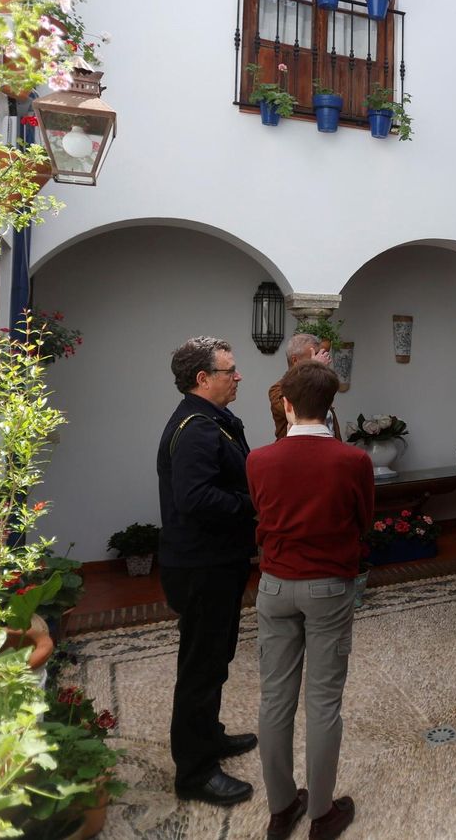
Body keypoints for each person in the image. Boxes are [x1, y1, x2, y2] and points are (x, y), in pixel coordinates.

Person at [247, 360, 369, 840]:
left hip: (275, 584)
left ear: (288, 404)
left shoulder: (258, 459)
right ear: (331, 405)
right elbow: (363, 520)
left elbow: (261, 512)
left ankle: (281, 808)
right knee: (322, 701)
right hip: (328, 585)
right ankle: (321, 813)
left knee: (275, 698)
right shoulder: (352, 461)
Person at [155, 337, 258, 806]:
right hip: (202, 566)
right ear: (203, 379)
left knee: (214, 658)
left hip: (215, 562)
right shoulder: (197, 428)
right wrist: (250, 505)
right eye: (229, 370)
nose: (237, 377)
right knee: (200, 666)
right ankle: (194, 772)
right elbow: (195, 499)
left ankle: (208, 737)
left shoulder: (209, 421)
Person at [269, 332, 342, 440]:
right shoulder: (277, 389)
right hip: (295, 452)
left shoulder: (319, 382)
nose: (319, 359)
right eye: (313, 356)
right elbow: (299, 409)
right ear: (295, 360)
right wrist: (314, 368)